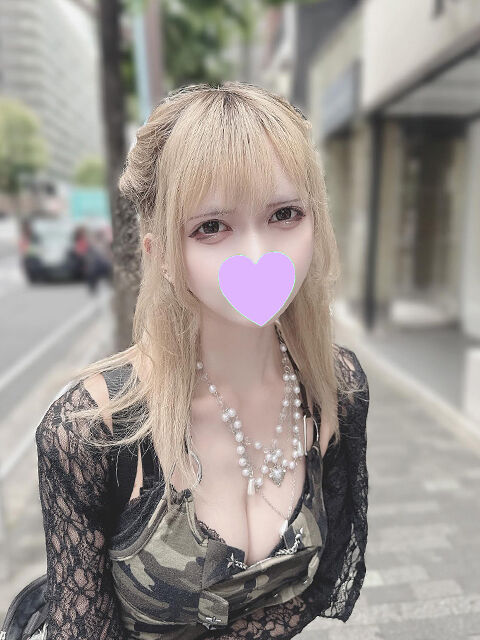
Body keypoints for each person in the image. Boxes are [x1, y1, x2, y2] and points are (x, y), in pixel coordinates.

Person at [35, 82, 370, 639]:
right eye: (211, 227)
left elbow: (327, 572)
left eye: (285, 213)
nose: (258, 254)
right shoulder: (91, 432)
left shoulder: (336, 387)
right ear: (162, 255)